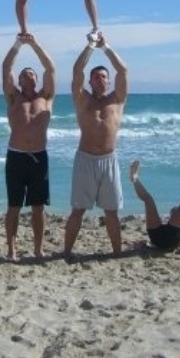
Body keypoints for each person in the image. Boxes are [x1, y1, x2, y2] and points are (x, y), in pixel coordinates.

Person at [63, 32, 127, 260]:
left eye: (103, 77)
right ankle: (67, 252)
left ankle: (117, 253)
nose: (100, 80)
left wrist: (106, 46)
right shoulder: (83, 99)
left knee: (112, 212)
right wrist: (90, 45)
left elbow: (123, 70)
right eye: (96, 77)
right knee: (78, 210)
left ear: (108, 81)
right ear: (90, 82)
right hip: (85, 159)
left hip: (109, 160)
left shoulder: (117, 99)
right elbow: (76, 71)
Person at [1, 34, 55, 260]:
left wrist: (34, 44)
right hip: (16, 157)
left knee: (38, 207)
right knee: (14, 206)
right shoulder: (13, 98)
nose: (29, 77)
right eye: (24, 75)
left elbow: (50, 68)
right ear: (19, 81)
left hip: (39, 157)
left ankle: (38, 248)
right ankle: (12, 250)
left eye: (32, 74)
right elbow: (6, 67)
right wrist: (17, 45)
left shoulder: (46, 97)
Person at [129, 160, 180, 254]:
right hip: (163, 237)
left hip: (162, 236)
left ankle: (134, 178)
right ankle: (134, 178)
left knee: (149, 200)